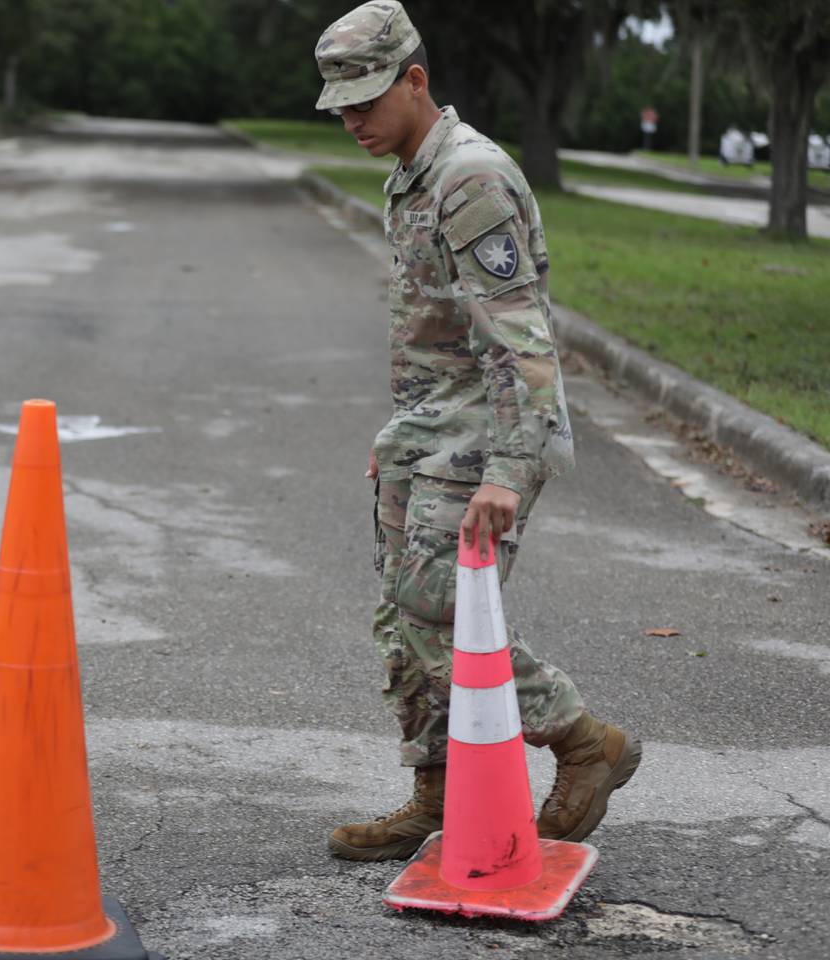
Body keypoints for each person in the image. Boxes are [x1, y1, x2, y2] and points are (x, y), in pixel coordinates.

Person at [313, 1, 642, 861]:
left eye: (368, 100)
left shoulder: (470, 176)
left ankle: (581, 740)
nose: (353, 120)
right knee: (401, 616)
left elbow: (517, 332)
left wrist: (508, 468)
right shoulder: (412, 170)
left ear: (416, 81)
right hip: (429, 427)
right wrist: (401, 437)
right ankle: (438, 791)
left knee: (442, 608)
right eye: (340, 106)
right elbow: (437, 327)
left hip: (489, 431)